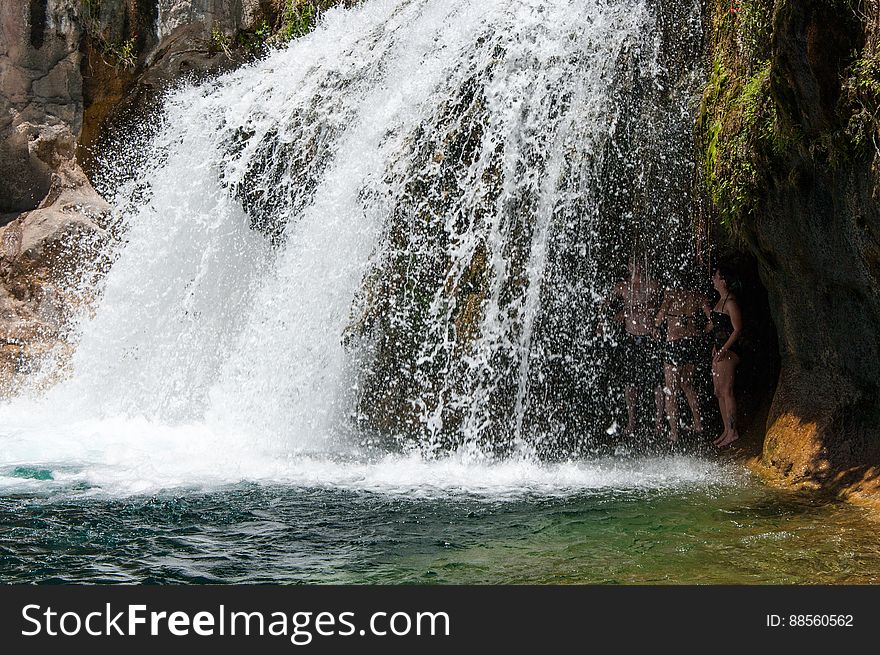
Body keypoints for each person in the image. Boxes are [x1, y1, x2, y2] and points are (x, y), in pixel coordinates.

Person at [604, 256, 664, 438]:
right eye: (633, 263)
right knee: (630, 383)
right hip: (631, 338)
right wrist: (604, 320)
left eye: (640, 263)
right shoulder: (622, 287)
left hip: (649, 337)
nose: (637, 267)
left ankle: (659, 422)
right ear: (628, 265)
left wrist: (630, 310)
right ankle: (631, 422)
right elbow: (604, 303)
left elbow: (662, 304)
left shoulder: (652, 284)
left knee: (657, 382)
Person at [654, 280, 712, 443]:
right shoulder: (698, 297)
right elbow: (713, 318)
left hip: (675, 343)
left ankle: (674, 432)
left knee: (671, 390)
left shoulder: (671, 295)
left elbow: (659, 319)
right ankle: (698, 424)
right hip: (691, 343)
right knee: (688, 385)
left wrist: (656, 324)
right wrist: (702, 331)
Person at [709, 266, 743, 448]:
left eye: (716, 276)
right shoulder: (719, 301)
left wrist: (723, 350)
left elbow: (737, 330)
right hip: (720, 350)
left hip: (730, 351)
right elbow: (719, 329)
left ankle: (733, 431)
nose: (713, 278)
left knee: (727, 391)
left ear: (723, 280)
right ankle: (726, 430)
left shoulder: (730, 302)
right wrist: (716, 346)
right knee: (719, 392)